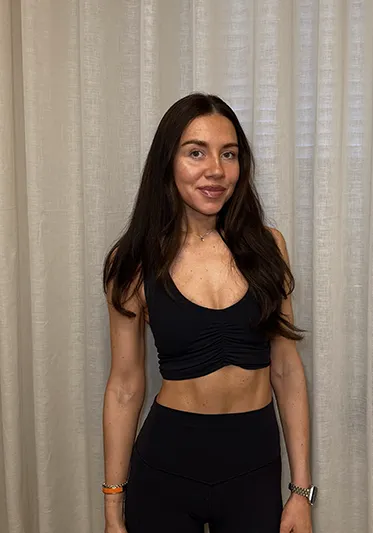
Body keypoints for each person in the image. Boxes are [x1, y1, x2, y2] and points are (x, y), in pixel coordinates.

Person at [102, 93, 316, 533]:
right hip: (164, 471)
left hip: (254, 471)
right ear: (167, 162)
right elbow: (125, 386)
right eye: (196, 152)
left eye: (229, 154)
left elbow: (286, 370)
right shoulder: (133, 261)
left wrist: (301, 491)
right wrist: (112, 504)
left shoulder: (268, 247)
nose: (216, 169)